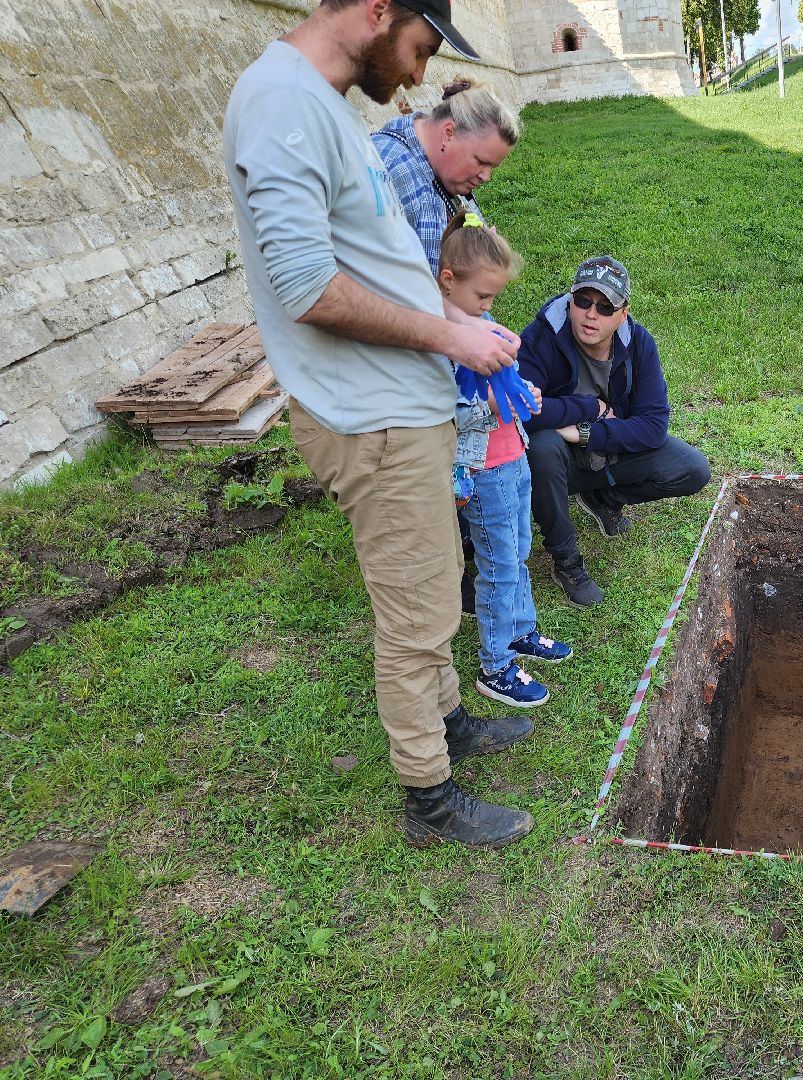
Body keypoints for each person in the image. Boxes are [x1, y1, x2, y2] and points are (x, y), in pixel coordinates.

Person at [224, 0, 534, 850]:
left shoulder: (323, 104)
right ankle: (429, 799)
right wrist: (452, 336)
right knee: (417, 621)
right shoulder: (281, 101)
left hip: (403, 410)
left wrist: (455, 328)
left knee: (428, 598)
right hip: (373, 422)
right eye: (420, 45)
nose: (421, 75)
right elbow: (308, 289)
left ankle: (451, 725)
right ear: (374, 11)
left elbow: (373, 260)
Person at [371, 79, 521, 617]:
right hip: (390, 379)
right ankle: (436, 587)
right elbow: (390, 290)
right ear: (449, 132)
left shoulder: (446, 183)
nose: (482, 178)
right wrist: (465, 333)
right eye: (481, 162)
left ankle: (451, 571)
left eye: (491, 170)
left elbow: (442, 280)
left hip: (430, 360)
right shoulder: (394, 171)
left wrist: (479, 326)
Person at [518, 257, 711, 607]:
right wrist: (590, 408)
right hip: (556, 459)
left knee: (693, 469)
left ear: (623, 314)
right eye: (583, 301)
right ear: (569, 300)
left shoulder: (639, 343)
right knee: (542, 446)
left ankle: (603, 499)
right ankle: (566, 561)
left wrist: (585, 432)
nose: (591, 314)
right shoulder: (539, 337)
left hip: (598, 446)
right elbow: (522, 411)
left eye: (606, 307)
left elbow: (653, 427)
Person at [438, 213, 573, 708]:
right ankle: (495, 664)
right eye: (482, 298)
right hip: (483, 469)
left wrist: (525, 393)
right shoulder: (443, 345)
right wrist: (495, 407)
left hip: (513, 456)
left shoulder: (480, 325)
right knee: (497, 566)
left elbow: (506, 378)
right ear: (447, 282)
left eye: (493, 299)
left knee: (517, 549)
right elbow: (448, 414)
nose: (489, 308)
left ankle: (520, 631)